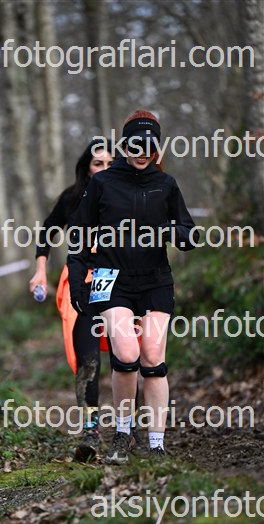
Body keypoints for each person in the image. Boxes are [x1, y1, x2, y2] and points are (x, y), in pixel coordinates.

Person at [68, 110, 199, 463]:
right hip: (112, 279)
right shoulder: (102, 183)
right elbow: (79, 235)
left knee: (153, 359)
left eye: (150, 146)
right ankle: (123, 434)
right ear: (125, 146)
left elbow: (188, 233)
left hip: (155, 280)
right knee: (126, 355)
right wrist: (78, 282)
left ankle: (156, 443)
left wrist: (174, 233)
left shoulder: (166, 184)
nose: (143, 153)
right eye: (136, 145)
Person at [30, 142, 113, 461]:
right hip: (80, 280)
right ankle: (91, 430)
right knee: (88, 358)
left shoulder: (125, 194)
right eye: (97, 163)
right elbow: (48, 230)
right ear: (86, 168)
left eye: (110, 163)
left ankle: (129, 428)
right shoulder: (72, 197)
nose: (103, 169)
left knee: (125, 355)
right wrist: (40, 270)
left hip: (120, 279)